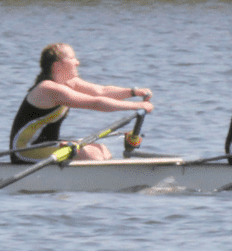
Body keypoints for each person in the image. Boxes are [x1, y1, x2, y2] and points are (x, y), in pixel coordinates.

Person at [9, 43, 153, 163]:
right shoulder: (48, 88)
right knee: (92, 154)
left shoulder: (69, 83)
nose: (77, 62)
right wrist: (138, 106)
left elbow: (101, 91)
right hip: (25, 151)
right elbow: (95, 103)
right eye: (72, 58)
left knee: (102, 150)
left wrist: (133, 92)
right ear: (57, 65)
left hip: (47, 145)